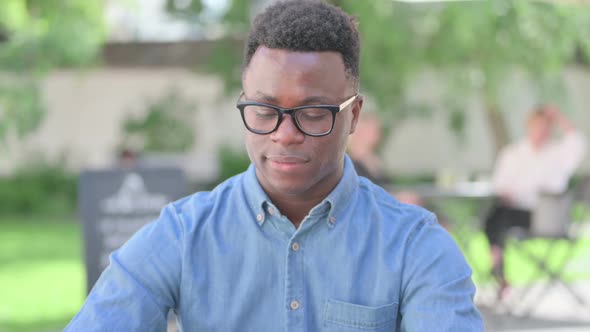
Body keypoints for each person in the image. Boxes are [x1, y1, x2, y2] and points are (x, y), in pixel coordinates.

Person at [66, 1, 482, 330]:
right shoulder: (182, 236)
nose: (284, 133)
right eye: (264, 109)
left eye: (314, 111)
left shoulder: (415, 248)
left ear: (353, 115)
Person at [484, 105, 586, 297]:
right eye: (537, 126)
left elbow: (577, 143)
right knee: (496, 215)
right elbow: (500, 185)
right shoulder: (513, 153)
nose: (541, 132)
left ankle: (497, 265)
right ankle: (498, 266)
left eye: (546, 127)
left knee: (497, 216)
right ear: (528, 126)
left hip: (547, 216)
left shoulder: (558, 154)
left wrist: (558, 116)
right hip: (515, 211)